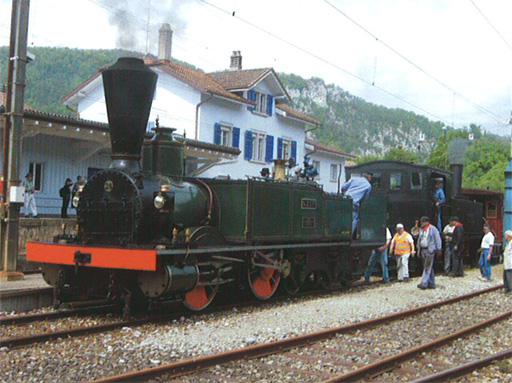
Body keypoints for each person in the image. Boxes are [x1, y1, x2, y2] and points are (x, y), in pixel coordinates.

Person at [341, 172, 372, 237]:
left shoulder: (353, 179)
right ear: (369, 177)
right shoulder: (368, 186)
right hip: (354, 202)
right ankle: (349, 235)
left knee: (342, 216)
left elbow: (343, 187)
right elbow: (365, 198)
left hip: (345, 200)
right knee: (355, 218)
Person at [417, 216, 442, 290]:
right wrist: (419, 249)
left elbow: (438, 239)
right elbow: (419, 239)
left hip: (430, 250)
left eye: (422, 222)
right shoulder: (422, 230)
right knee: (428, 267)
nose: (421, 223)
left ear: (427, 222)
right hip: (423, 250)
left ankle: (423, 283)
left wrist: (439, 249)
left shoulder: (433, 229)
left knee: (427, 267)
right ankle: (432, 283)